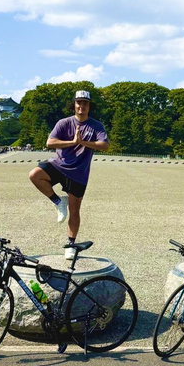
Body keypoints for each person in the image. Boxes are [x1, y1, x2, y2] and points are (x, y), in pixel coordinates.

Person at [28, 90, 108, 259]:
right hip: (59, 164)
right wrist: (72, 142)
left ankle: (71, 244)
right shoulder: (64, 123)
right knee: (35, 174)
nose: (82, 106)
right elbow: (50, 142)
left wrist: (83, 142)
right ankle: (57, 201)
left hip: (79, 173)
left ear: (89, 106)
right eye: (79, 103)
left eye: (85, 103)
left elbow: (104, 145)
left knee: (74, 210)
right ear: (74, 105)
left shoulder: (96, 125)